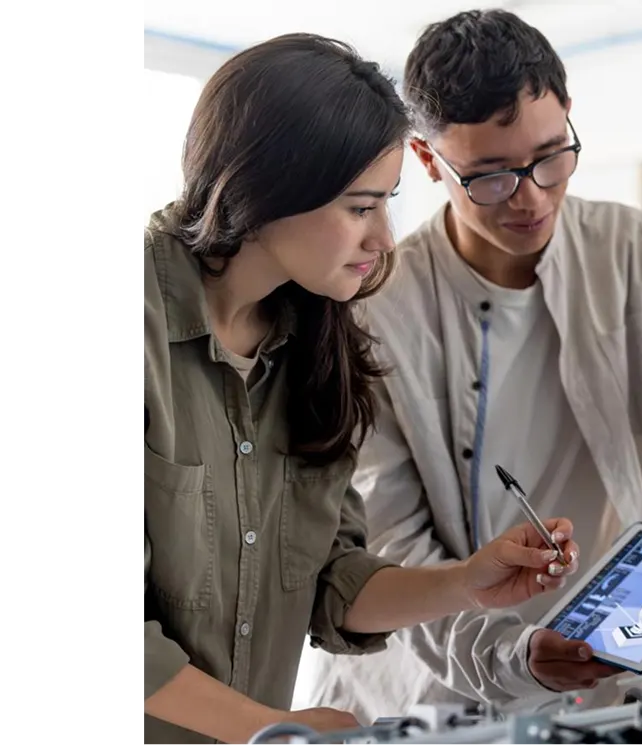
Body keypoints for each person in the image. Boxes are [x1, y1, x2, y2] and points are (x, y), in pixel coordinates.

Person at [143, 33, 582, 745]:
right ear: (266, 189)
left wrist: (465, 583)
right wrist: (273, 727)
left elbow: (329, 579)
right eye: (360, 206)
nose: (384, 236)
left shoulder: (316, 343)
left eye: (388, 204)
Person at [294, 9, 642, 722]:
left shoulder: (634, 249)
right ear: (426, 161)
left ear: (569, 115)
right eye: (489, 177)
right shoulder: (369, 308)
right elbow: (389, 550)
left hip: (611, 673)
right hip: (426, 691)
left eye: (550, 157)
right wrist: (512, 655)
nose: (531, 197)